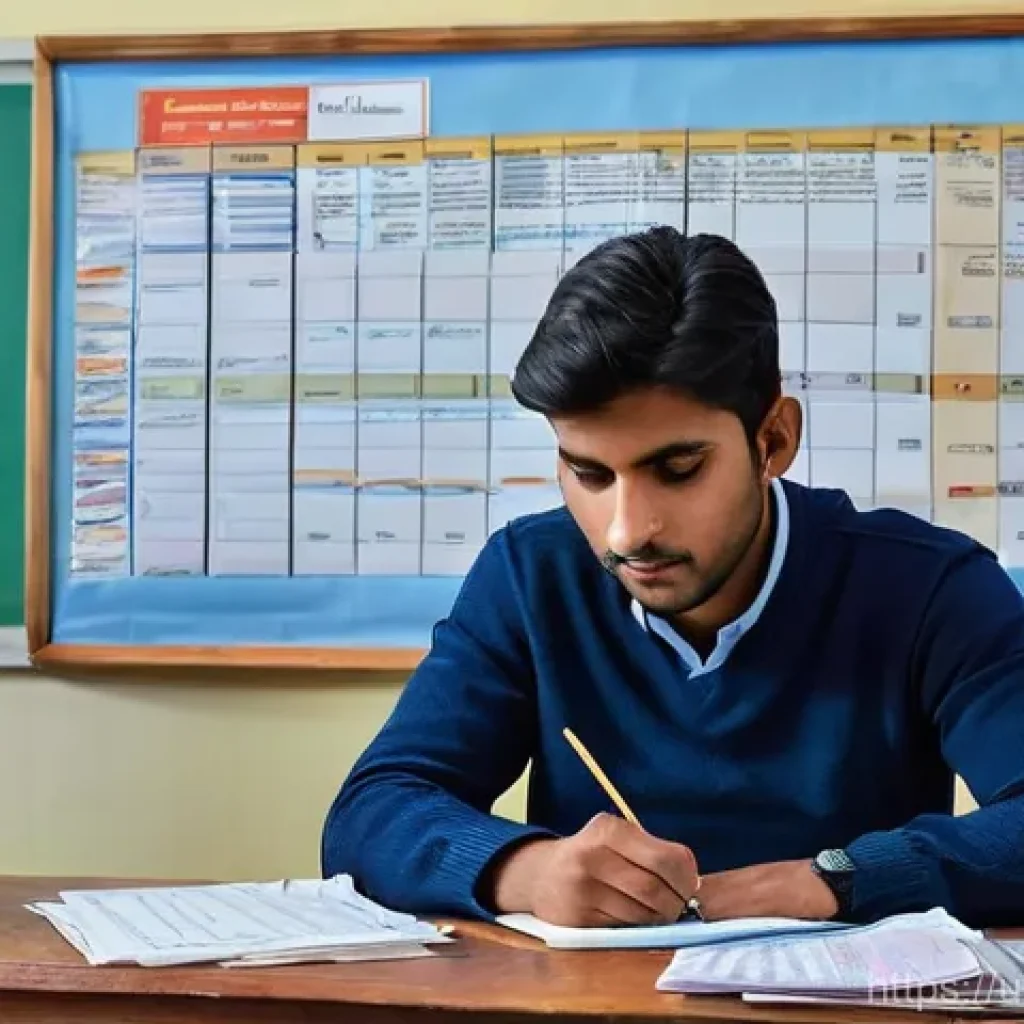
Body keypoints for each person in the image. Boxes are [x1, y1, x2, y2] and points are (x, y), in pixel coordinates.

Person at [322, 227, 1024, 929]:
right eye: (590, 474)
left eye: (678, 469)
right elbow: (371, 814)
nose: (627, 531)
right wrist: (529, 871)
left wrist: (831, 881)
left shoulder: (931, 587)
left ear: (773, 439)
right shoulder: (529, 575)